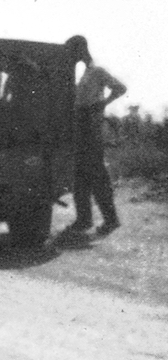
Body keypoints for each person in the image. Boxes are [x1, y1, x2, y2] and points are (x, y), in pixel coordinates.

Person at [65, 35, 127, 235]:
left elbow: (120, 87)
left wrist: (103, 104)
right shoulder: (82, 74)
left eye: (72, 51)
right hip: (80, 127)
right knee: (79, 176)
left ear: (81, 50)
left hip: (91, 127)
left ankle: (111, 219)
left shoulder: (97, 71)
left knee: (97, 175)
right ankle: (84, 220)